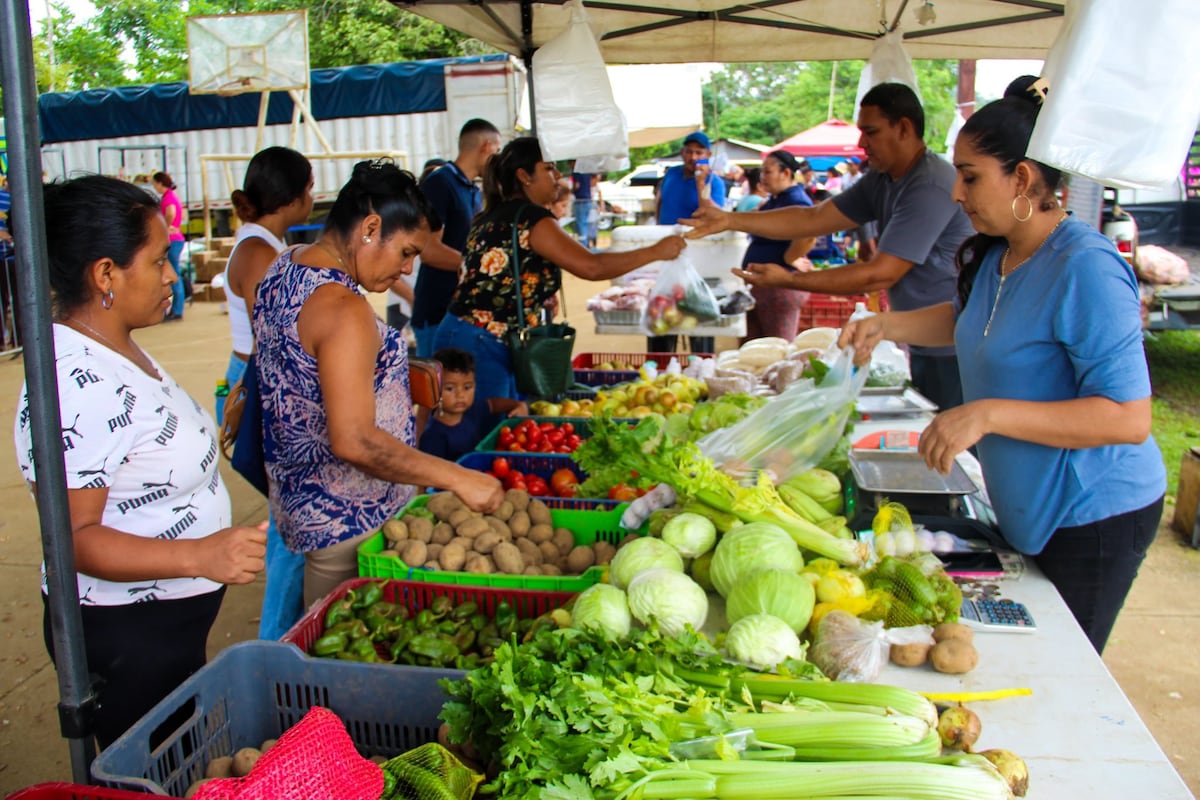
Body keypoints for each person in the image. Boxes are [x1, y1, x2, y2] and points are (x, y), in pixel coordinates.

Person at [840, 76, 1166, 654]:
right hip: (1026, 497)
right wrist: (885, 324)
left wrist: (986, 414)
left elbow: (1127, 417)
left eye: (969, 177)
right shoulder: (999, 253)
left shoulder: (1085, 267)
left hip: (1093, 511)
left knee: (1063, 663)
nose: (957, 194)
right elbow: (972, 323)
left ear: (1021, 178)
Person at [14, 175, 267, 748]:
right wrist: (200, 552)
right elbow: (72, 536)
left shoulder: (114, 342)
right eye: (157, 261)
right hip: (125, 635)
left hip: (164, 629)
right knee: (153, 765)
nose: (172, 274)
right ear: (105, 274)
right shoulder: (75, 383)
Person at [254, 160, 504, 607]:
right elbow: (354, 441)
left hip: (305, 509)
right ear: (370, 227)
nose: (408, 270)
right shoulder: (343, 307)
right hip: (350, 522)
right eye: (406, 252)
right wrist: (457, 477)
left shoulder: (284, 267)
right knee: (346, 652)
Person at [686, 83, 975, 411]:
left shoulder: (929, 184)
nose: (862, 144)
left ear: (904, 128)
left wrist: (790, 279)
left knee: (954, 449)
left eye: (871, 132)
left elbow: (878, 275)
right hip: (925, 341)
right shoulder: (883, 180)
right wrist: (730, 220)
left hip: (954, 347)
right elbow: (814, 218)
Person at [433, 137, 686, 401]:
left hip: (466, 334)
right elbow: (591, 266)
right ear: (524, 176)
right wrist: (656, 252)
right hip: (482, 343)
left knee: (483, 428)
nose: (558, 177)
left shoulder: (491, 216)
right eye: (549, 168)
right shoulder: (532, 219)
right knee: (486, 431)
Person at [223, 146, 314, 640]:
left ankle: (282, 636)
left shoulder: (261, 243)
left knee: (292, 522)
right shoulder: (259, 251)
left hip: (256, 379)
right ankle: (276, 644)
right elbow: (275, 336)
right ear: (296, 196)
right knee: (292, 527)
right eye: (310, 188)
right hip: (262, 386)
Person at [412, 120, 502, 358]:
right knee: (439, 392)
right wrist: (477, 267)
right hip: (437, 313)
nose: (498, 159)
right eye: (497, 151)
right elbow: (428, 249)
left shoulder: (472, 189)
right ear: (485, 146)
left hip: (461, 312)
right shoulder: (441, 182)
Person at [654, 131, 726, 354]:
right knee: (663, 310)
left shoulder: (715, 181)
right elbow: (661, 201)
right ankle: (661, 359)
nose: (693, 157)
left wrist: (700, 181)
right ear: (682, 153)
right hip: (666, 249)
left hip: (698, 253)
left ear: (708, 154)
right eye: (689, 151)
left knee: (698, 314)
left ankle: (701, 361)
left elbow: (713, 213)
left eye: (699, 152)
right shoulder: (672, 174)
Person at [740, 150, 816, 342]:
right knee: (754, 350)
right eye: (762, 172)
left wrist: (788, 258)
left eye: (768, 172)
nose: (762, 177)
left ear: (786, 174)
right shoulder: (776, 199)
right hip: (762, 287)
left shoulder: (795, 201)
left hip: (778, 289)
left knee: (778, 348)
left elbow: (808, 236)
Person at [419, 348, 529, 462]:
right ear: (433, 390)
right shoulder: (433, 437)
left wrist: (518, 405)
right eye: (450, 388)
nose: (460, 395)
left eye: (467, 387)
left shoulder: (473, 411)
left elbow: (494, 404)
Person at [151, 171, 187, 321]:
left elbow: (171, 212)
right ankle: (176, 309)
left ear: (160, 183)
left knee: (173, 274)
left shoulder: (169, 197)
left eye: (154, 184)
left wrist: (165, 227)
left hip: (172, 239)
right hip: (175, 238)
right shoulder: (172, 195)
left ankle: (177, 310)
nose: (154, 187)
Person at [571, 169, 599, 248]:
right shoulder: (586, 171)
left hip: (580, 201)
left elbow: (576, 185)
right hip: (588, 200)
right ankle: (587, 242)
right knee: (586, 224)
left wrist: (570, 191)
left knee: (581, 224)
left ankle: (583, 245)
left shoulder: (576, 172)